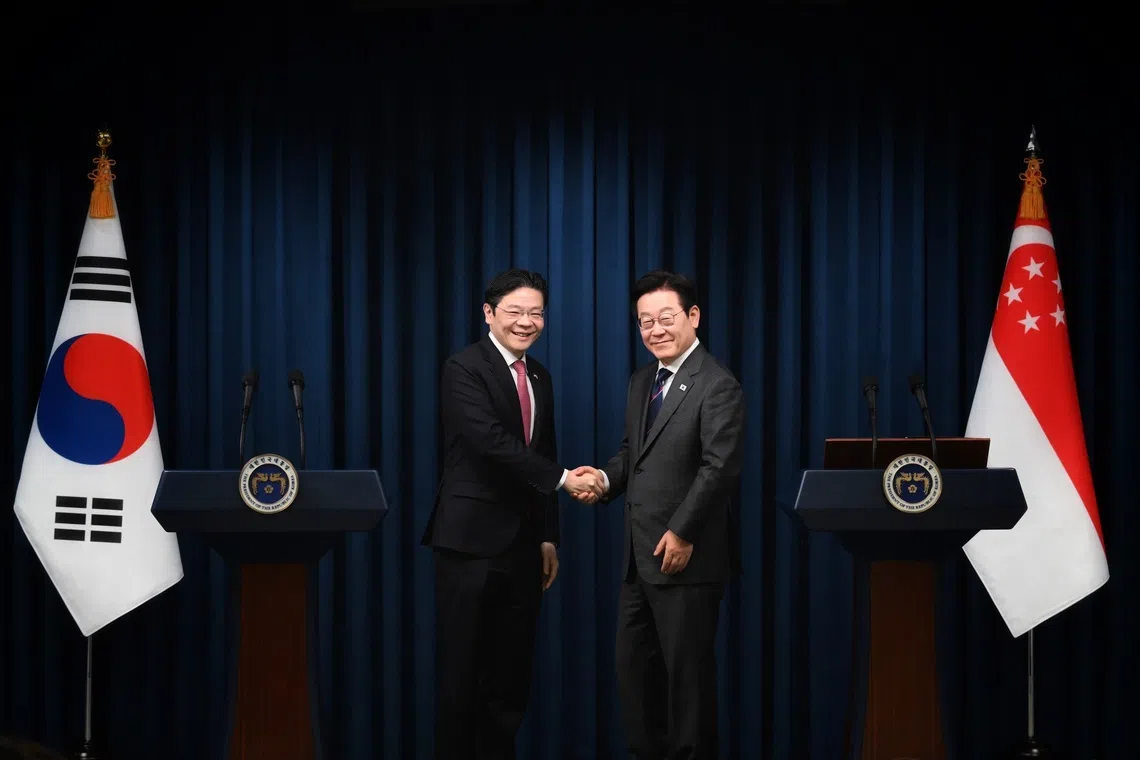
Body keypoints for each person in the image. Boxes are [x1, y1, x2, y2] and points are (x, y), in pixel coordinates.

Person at [421, 268, 603, 760]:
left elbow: (543, 448)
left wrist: (548, 536)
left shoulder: (538, 374)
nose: (527, 321)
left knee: (509, 679)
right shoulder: (464, 367)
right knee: (463, 676)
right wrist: (566, 480)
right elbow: (490, 444)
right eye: (515, 311)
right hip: (469, 543)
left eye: (536, 312)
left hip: (524, 547)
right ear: (489, 314)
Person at [574, 270, 745, 759]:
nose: (655, 330)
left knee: (687, 691)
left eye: (666, 318)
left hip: (686, 559)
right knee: (635, 683)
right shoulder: (642, 380)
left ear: (693, 317)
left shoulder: (717, 384)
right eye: (645, 322)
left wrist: (683, 530)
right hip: (639, 559)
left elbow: (719, 468)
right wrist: (605, 480)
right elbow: (634, 453)